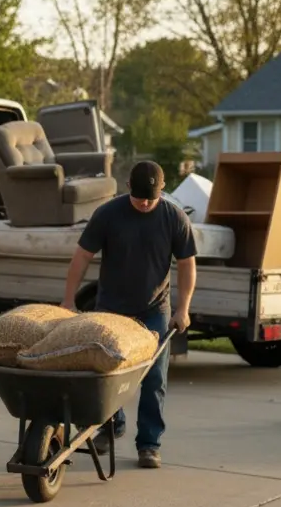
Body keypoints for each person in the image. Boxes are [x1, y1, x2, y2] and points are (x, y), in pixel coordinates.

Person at [60, 161, 197, 468]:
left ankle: (149, 443)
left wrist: (183, 308)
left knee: (154, 377)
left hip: (154, 308)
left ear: (161, 191)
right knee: (107, 373)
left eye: (151, 197)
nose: (145, 203)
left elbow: (187, 264)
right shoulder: (108, 214)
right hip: (112, 307)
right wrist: (68, 300)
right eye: (139, 197)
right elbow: (82, 257)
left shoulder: (173, 217)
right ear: (128, 189)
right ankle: (111, 427)